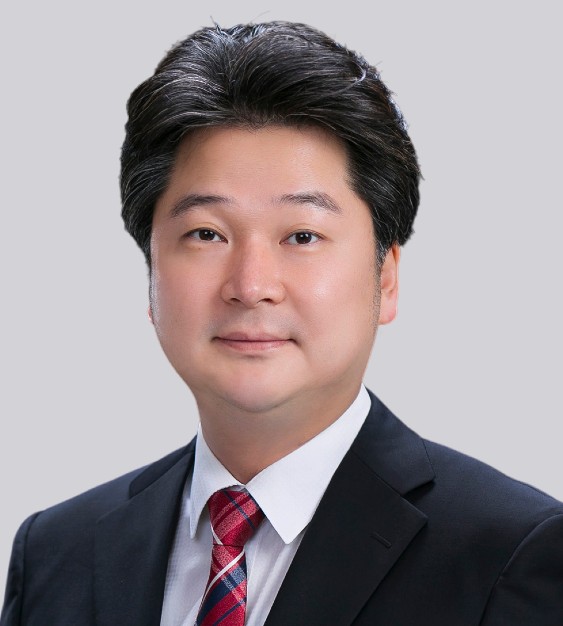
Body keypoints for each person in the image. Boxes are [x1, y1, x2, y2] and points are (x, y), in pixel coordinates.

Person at [1, 20, 562, 626]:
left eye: (302, 236)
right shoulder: (57, 552)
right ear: (151, 272)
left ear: (385, 278)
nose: (251, 286)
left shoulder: (509, 555)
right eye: (206, 234)